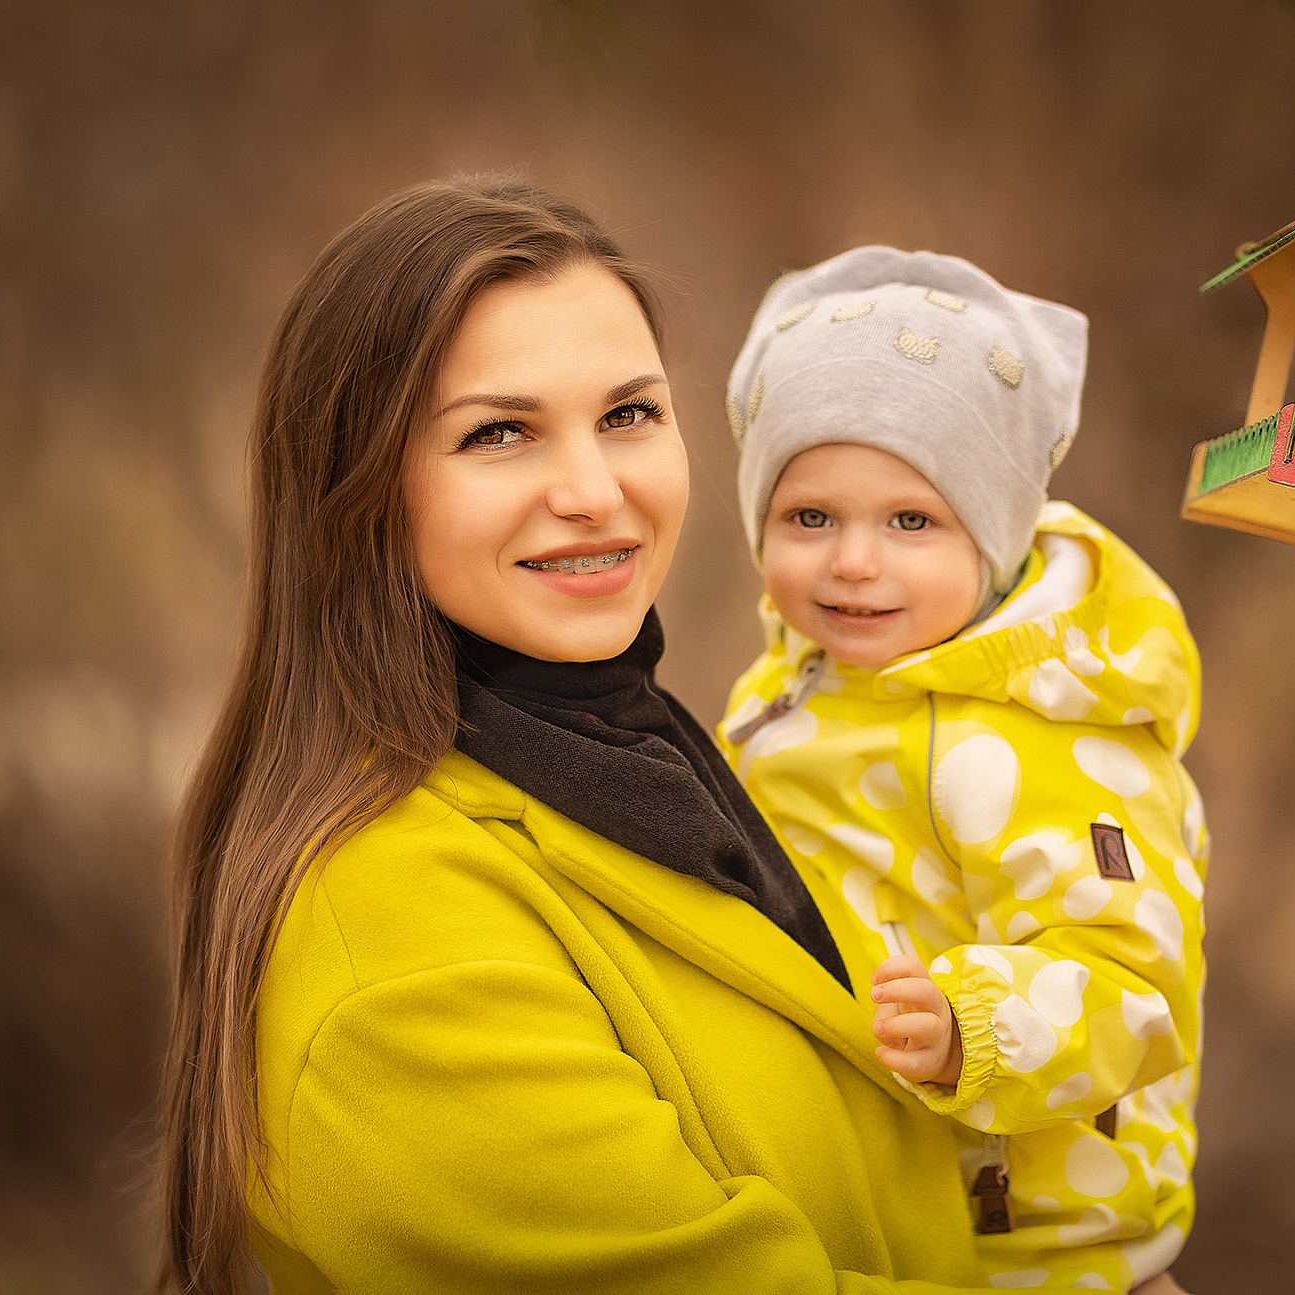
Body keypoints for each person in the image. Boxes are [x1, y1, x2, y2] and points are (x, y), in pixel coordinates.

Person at [157, 181, 1024, 1294]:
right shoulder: (395, 959)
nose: (594, 489)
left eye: (627, 414)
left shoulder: (660, 760)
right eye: (499, 432)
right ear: (357, 489)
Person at [717, 248, 1207, 1292]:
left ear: (991, 533)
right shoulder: (797, 678)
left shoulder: (1050, 730)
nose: (852, 560)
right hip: (877, 1214)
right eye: (809, 516)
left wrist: (971, 1024)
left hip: (1040, 1241)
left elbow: (1135, 985)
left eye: (909, 519)